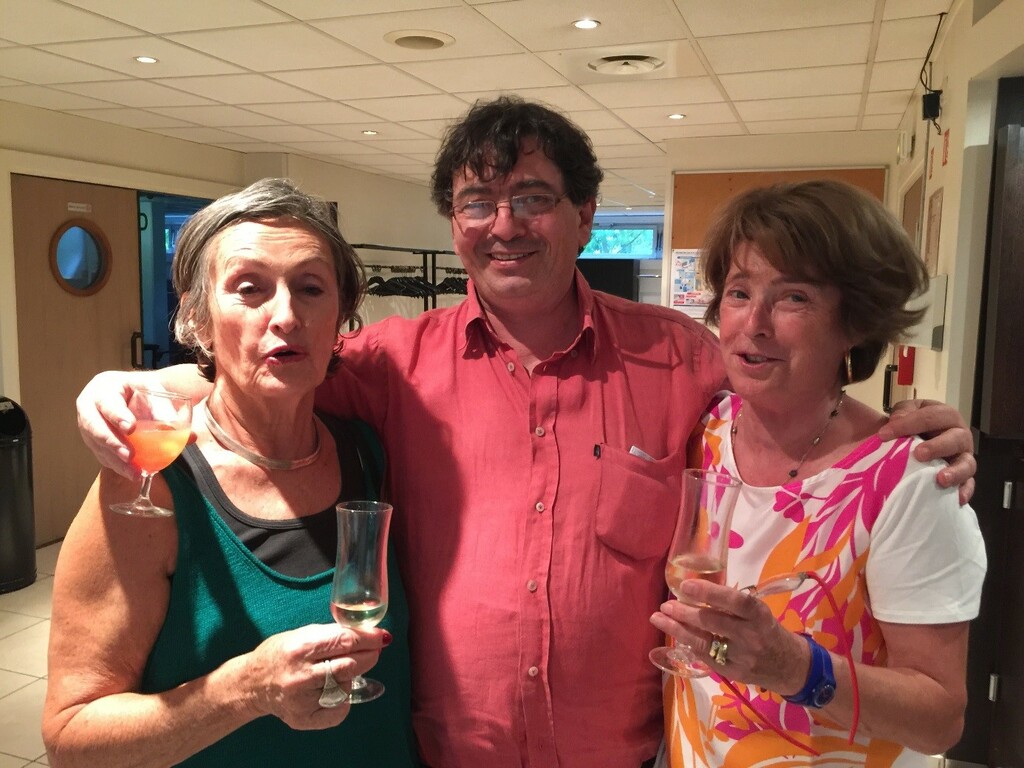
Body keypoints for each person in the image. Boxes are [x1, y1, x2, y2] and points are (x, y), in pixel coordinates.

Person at [74, 98, 977, 768]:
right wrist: (137, 384)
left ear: (586, 216)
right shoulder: (389, 367)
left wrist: (906, 430)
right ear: (454, 225)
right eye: (477, 201)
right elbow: (270, 365)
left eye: (534, 198)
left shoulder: (683, 359)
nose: (504, 226)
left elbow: (790, 390)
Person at [43, 179, 418, 768]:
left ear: (341, 316)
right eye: (249, 288)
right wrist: (246, 690)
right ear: (197, 317)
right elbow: (70, 740)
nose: (285, 315)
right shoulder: (152, 481)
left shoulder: (366, 450)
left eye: (311, 288)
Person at [650, 180, 986, 765]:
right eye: (738, 292)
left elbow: (939, 719)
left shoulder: (909, 482)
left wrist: (794, 668)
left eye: (794, 298)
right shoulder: (700, 430)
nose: (753, 323)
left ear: (855, 321)